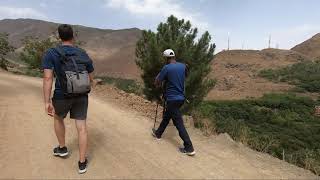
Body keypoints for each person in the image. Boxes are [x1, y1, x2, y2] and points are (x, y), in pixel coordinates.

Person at [42, 24, 94, 174]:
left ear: (59, 37)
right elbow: (91, 77)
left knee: (58, 118)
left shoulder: (51, 53)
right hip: (81, 95)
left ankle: (62, 148)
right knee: (82, 127)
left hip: (61, 95)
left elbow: (47, 78)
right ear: (73, 36)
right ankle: (82, 163)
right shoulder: (82, 53)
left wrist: (46, 102)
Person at [152, 49, 195, 156]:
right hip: (181, 98)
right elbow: (185, 76)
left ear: (166, 58)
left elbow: (157, 81)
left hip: (172, 99)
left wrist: (160, 80)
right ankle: (158, 133)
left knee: (178, 123)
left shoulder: (166, 67)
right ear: (174, 57)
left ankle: (189, 147)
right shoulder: (183, 66)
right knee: (167, 116)